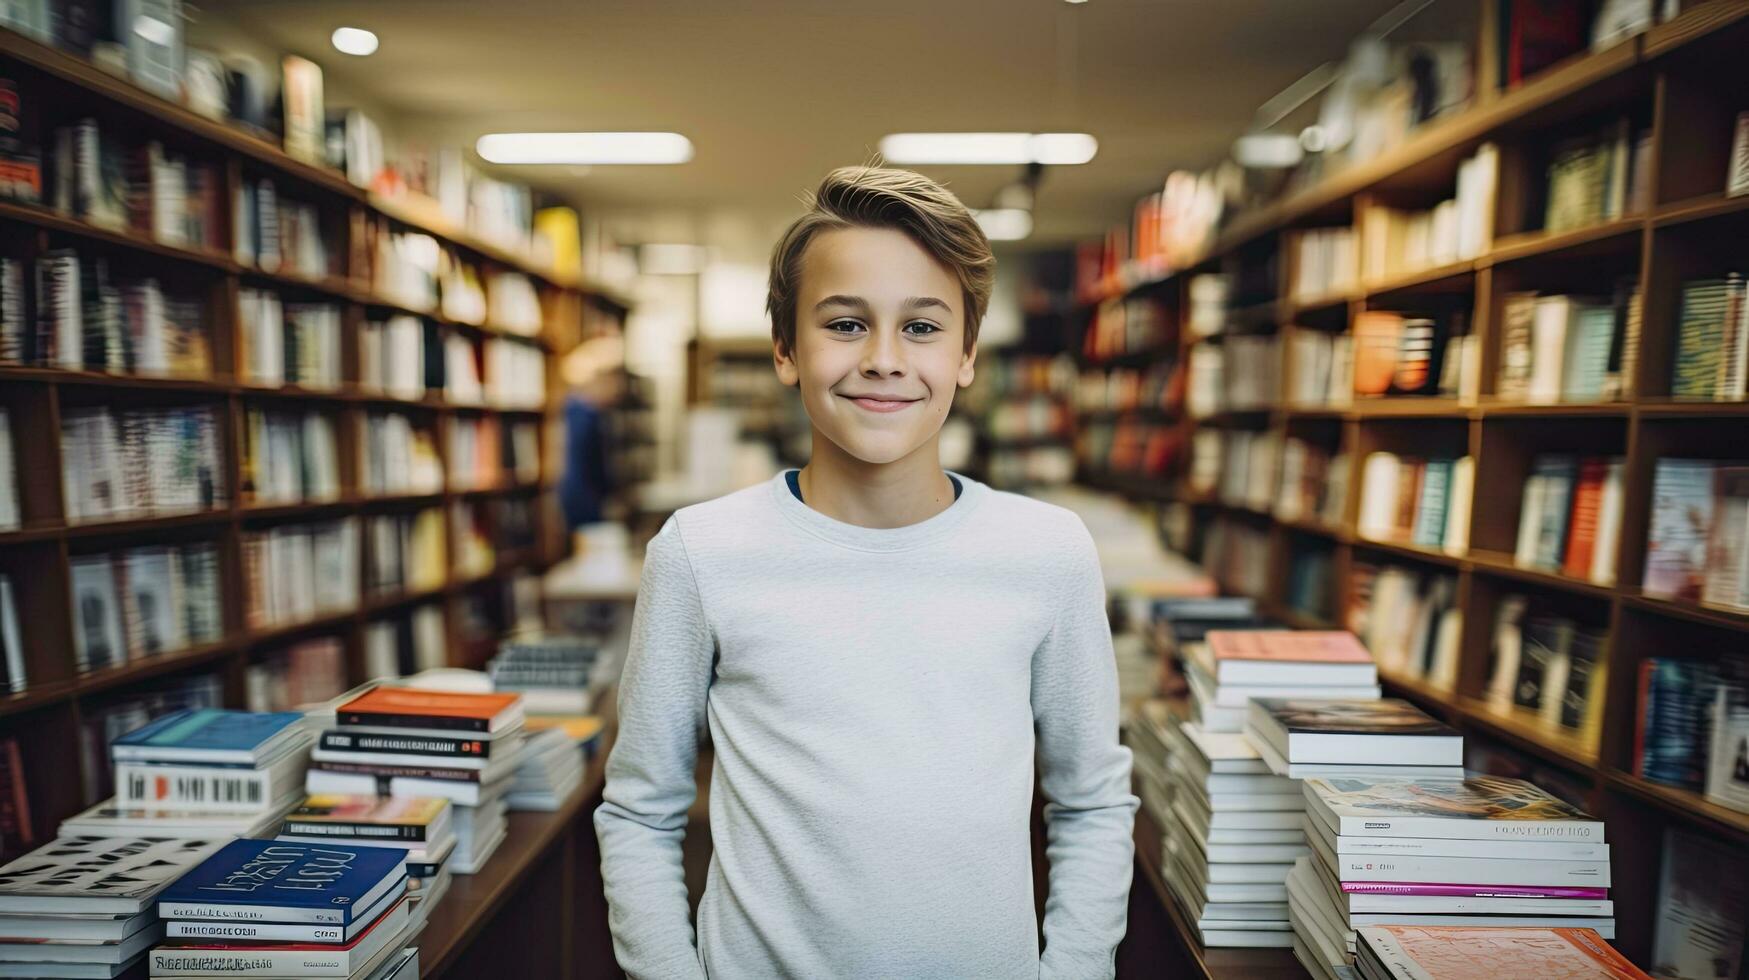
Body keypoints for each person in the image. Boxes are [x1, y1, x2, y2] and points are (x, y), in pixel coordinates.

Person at [594, 165, 1137, 979]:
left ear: (965, 356)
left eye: (921, 328)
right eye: (845, 325)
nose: (884, 360)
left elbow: (1091, 802)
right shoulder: (700, 552)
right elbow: (639, 809)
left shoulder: (1046, 553)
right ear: (786, 348)